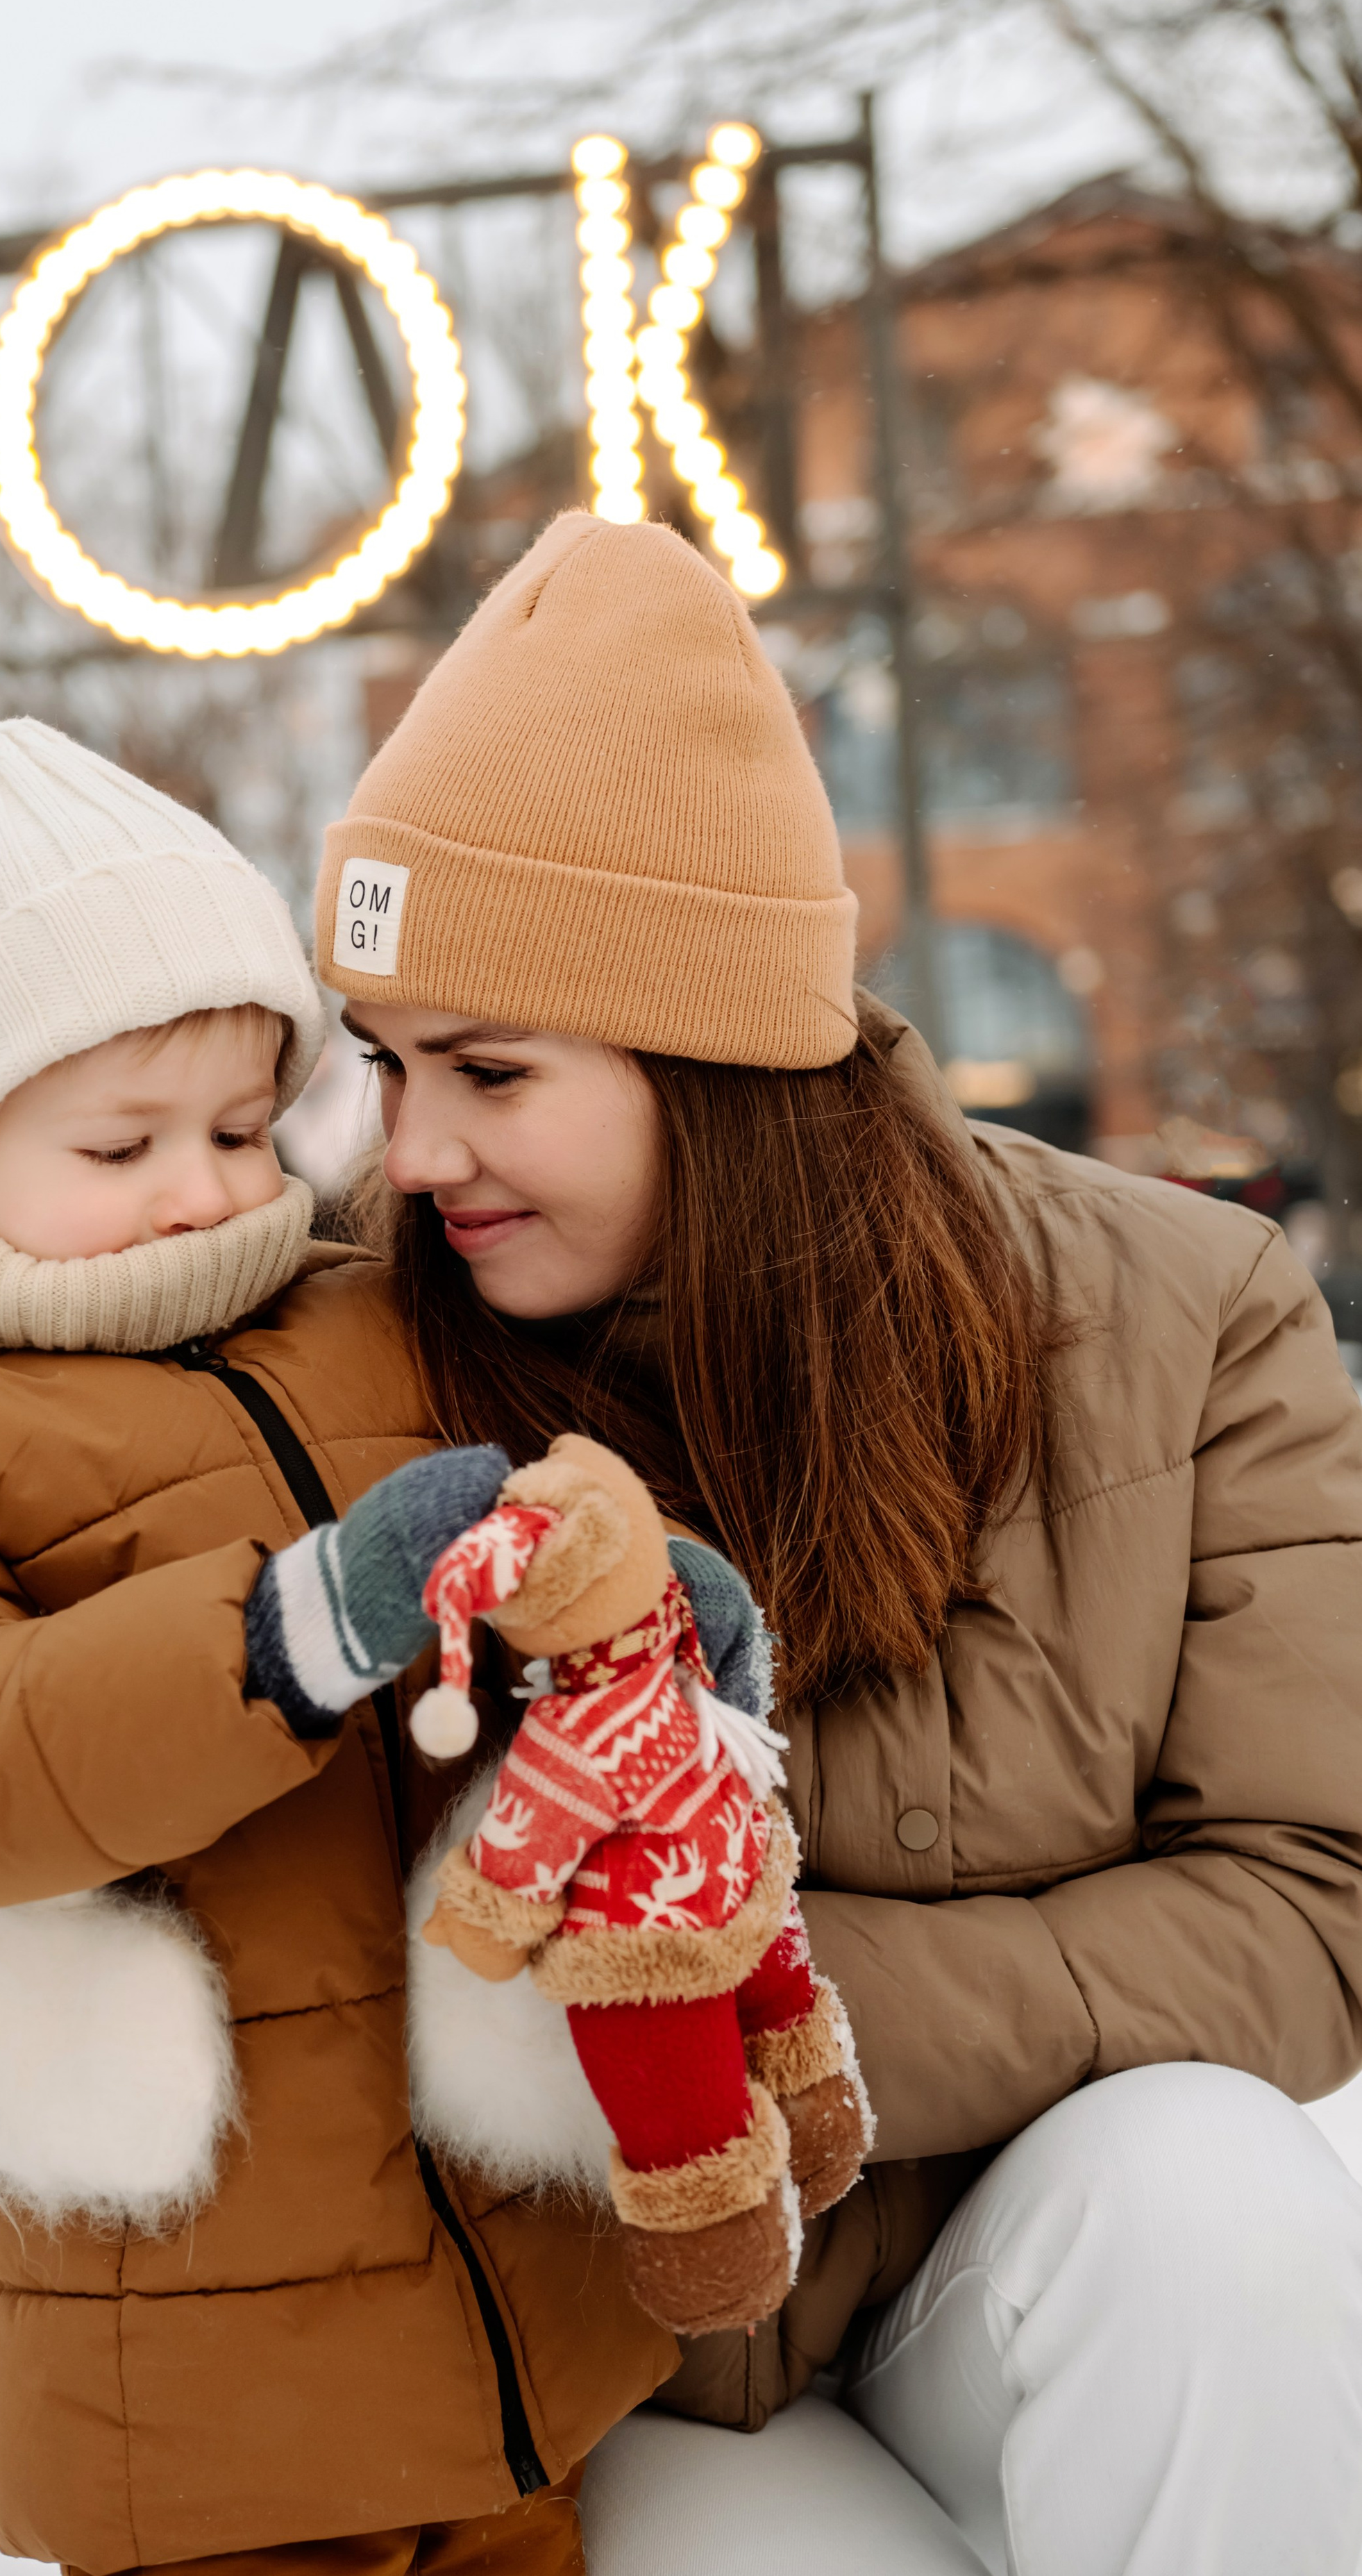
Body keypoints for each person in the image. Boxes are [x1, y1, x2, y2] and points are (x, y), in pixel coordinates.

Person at [313, 510, 1362, 2576]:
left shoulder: (1185, 1312)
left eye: (488, 1070)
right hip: (604, 2361)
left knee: (1215, 2193)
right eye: (384, 1067)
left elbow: (1322, 1896)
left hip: (1024, 2281)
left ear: (707, 1051)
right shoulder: (350, 1347)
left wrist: (754, 1999)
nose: (413, 1149)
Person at [0, 714, 777, 2576]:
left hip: (524, 2319)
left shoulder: (364, 1315)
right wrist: (298, 1625)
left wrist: (655, 1598)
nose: (203, 1185)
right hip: (193, 2377)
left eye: (238, 1124)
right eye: (120, 1140)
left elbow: (543, 1548)